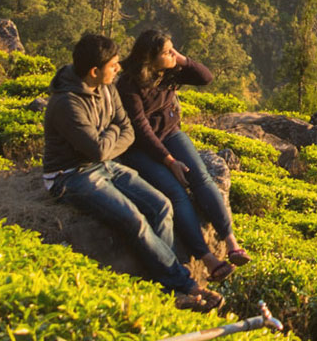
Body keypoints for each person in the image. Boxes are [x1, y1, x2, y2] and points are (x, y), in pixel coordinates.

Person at [42, 33, 221, 312]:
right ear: (94, 71)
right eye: (113, 65)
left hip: (106, 165)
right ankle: (183, 284)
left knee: (161, 206)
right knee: (134, 220)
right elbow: (100, 148)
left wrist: (110, 137)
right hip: (71, 175)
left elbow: (126, 132)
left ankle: (168, 285)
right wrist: (113, 136)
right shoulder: (67, 104)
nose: (117, 69)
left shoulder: (107, 87)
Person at [116, 28, 251, 280]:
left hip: (171, 133)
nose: (172, 55)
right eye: (167, 52)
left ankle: (231, 242)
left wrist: (181, 59)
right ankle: (208, 259)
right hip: (140, 147)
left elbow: (205, 78)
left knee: (201, 177)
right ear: (150, 57)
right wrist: (168, 161)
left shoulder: (170, 71)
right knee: (177, 194)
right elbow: (141, 128)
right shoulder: (129, 84)